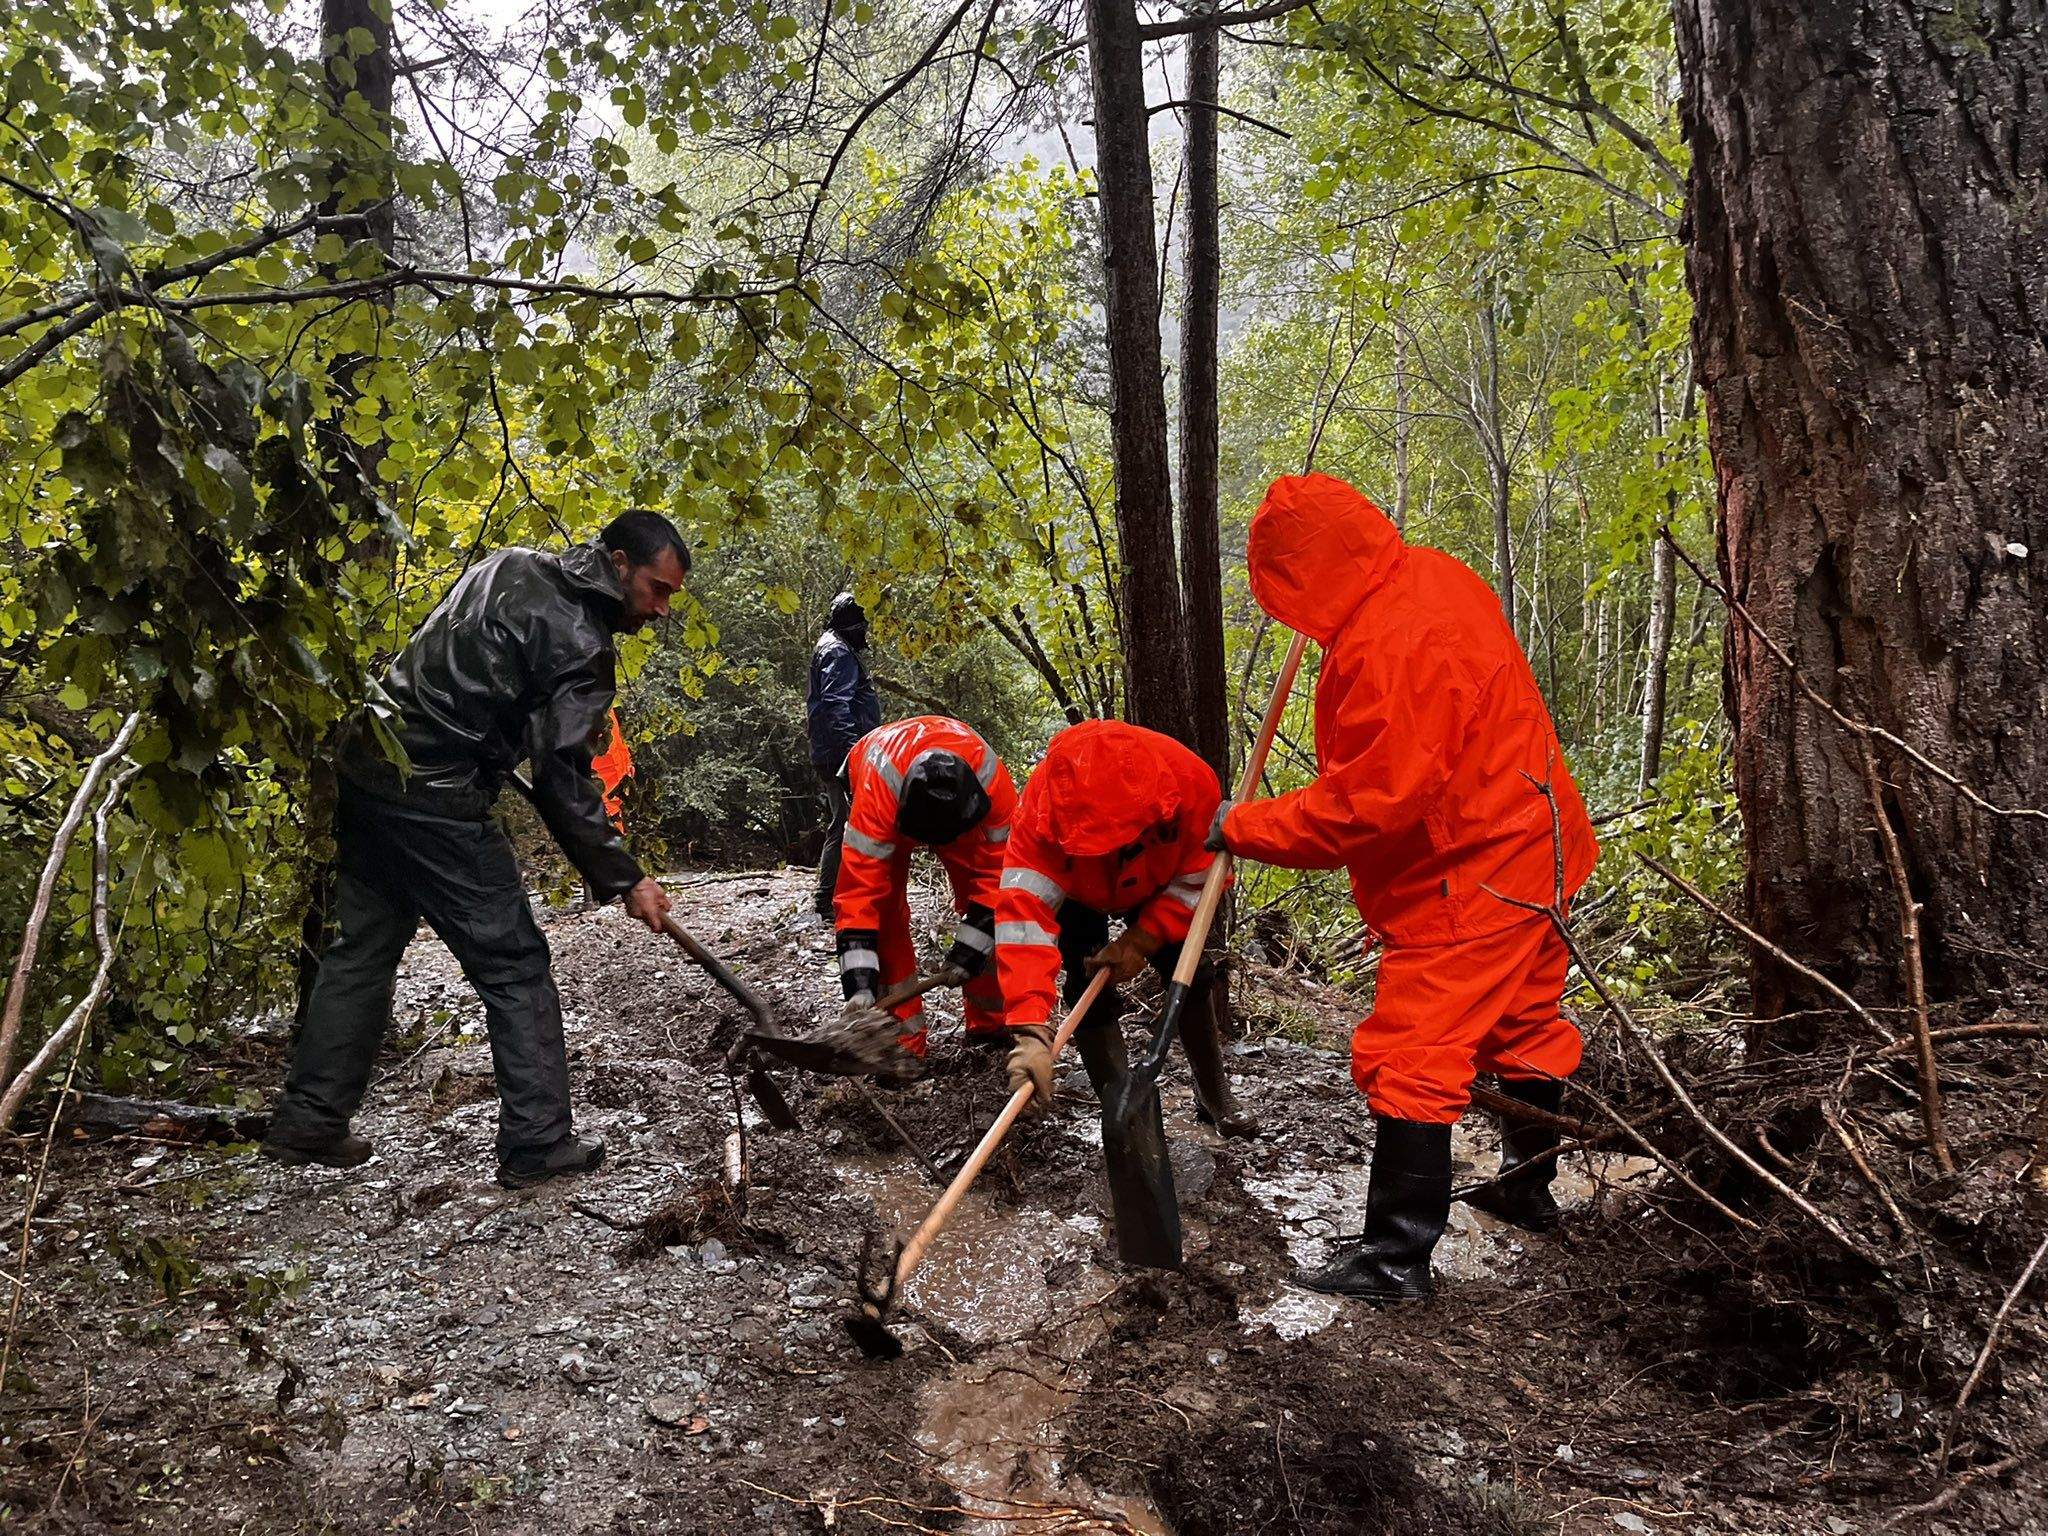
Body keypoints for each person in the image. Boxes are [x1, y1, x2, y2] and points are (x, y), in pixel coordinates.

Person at [1208, 473, 1598, 1302]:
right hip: (1538, 841)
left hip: (1475, 873)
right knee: (1525, 1023)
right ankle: (1527, 1194)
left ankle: (1393, 1261)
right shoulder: (1431, 574)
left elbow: (1363, 809)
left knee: (1414, 1053)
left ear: (1300, 572)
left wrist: (1239, 825)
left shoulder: (1392, 643)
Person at [262, 511, 690, 1188]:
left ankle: (308, 1122)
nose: (662, 609)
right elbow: (562, 777)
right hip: (436, 800)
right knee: (515, 963)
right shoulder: (582, 644)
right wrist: (625, 878)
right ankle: (538, 1144)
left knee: (363, 950)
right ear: (615, 563)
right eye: (657, 589)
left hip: (369, 765)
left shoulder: (509, 564)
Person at [993, 719, 1252, 1136]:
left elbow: (1199, 879)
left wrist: (1144, 938)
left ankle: (1215, 1094)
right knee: (1087, 982)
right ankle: (1118, 1104)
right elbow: (1024, 924)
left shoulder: (1190, 785)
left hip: (1159, 880)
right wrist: (1029, 1029)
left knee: (1193, 974)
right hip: (1080, 891)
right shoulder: (1040, 818)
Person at [832, 716, 1014, 1058]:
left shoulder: (993, 787)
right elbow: (858, 895)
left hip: (960, 812)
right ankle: (901, 1047)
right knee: (884, 916)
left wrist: (970, 951)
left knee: (991, 911)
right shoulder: (876, 801)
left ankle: (992, 1023)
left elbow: (1001, 877)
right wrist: (859, 984)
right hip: (882, 794)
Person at [807, 591, 882, 919]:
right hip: (841, 755)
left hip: (835, 752)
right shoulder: (837, 651)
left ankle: (836, 898)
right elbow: (836, 704)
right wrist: (855, 753)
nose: (865, 629)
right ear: (852, 624)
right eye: (862, 624)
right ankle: (829, 901)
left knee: (846, 822)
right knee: (847, 823)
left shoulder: (834, 646)